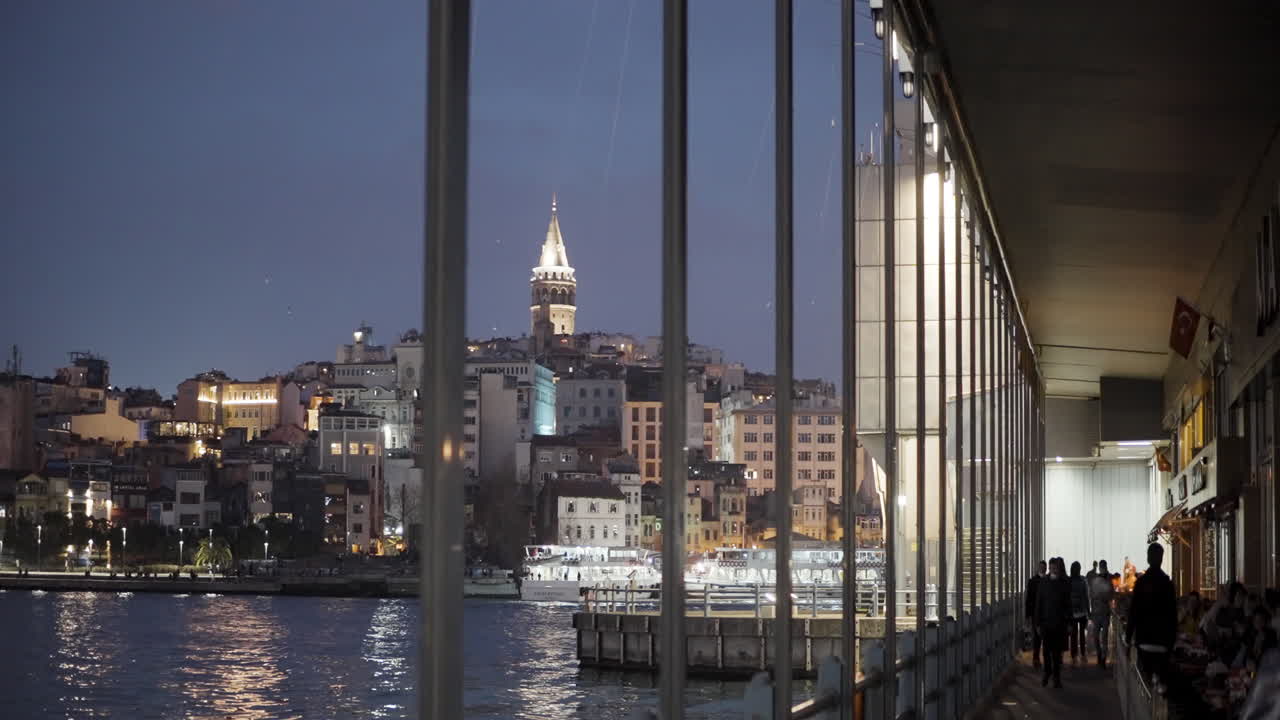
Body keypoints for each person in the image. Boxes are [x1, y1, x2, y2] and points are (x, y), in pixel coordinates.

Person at [1126, 543, 1177, 685]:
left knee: (1144, 689)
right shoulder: (1167, 584)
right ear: (1161, 559)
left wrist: (1128, 637)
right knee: (1160, 686)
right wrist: (1172, 642)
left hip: (1144, 641)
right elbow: (1173, 616)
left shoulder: (1141, 583)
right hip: (1163, 643)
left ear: (1148, 558)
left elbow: (1133, 612)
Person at [1036, 557, 1071, 688]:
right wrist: (1037, 623)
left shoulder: (1063, 583)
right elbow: (1039, 603)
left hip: (1059, 623)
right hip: (1046, 623)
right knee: (1045, 650)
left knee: (1056, 652)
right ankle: (1047, 672)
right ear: (1049, 568)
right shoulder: (1044, 582)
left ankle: (1056, 677)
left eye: (1055, 567)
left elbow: (1068, 604)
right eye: (1051, 568)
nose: (1053, 570)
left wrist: (1068, 623)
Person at [1090, 559, 1116, 668]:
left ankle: (1103, 658)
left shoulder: (1110, 578)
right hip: (1097, 612)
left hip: (1104, 612)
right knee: (1096, 636)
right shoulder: (1096, 579)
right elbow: (1092, 594)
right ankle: (1100, 655)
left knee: (1104, 637)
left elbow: (1112, 593)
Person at [1026, 560, 1047, 669]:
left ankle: (1040, 658)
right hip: (1036, 613)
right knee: (1037, 637)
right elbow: (1029, 599)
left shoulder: (1046, 581)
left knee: (1043, 636)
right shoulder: (1033, 581)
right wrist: (1028, 615)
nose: (1043, 569)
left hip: (1046, 613)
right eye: (1041, 567)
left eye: (1044, 567)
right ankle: (1036, 658)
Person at [1069, 561, 1090, 663]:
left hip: (1072, 611)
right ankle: (1082, 653)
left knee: (1073, 634)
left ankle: (1074, 655)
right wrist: (1088, 611)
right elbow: (1086, 596)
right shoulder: (1083, 580)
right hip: (1082, 611)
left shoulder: (1069, 581)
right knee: (1082, 634)